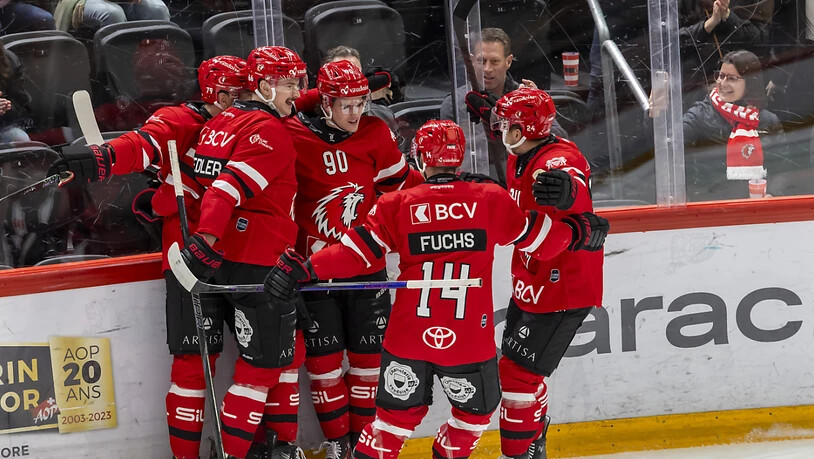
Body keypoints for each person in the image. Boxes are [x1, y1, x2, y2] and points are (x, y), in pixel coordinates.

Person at [264, 119, 601, 459]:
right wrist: (580, 230)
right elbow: (543, 243)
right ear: (461, 158)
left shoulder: (396, 204)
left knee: (391, 423)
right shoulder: (488, 199)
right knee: (473, 416)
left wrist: (307, 270)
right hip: (467, 341)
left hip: (408, 338)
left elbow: (353, 254)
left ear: (421, 160)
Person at [49, 55, 250, 459]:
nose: (251, 98)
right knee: (194, 366)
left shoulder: (254, 122)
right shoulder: (179, 119)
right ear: (220, 93)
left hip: (247, 253)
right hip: (189, 255)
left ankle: (261, 448)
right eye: (242, 91)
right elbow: (143, 145)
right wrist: (103, 158)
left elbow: (292, 100)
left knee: (265, 362)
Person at [282, 59, 423, 458]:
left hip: (367, 269)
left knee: (368, 367)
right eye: (345, 104)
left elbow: (401, 190)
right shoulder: (291, 133)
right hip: (314, 271)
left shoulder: (376, 132)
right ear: (324, 103)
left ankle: (364, 446)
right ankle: (338, 444)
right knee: (323, 368)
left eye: (361, 102)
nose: (355, 113)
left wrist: (447, 187)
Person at [182, 46, 307, 459]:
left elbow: (204, 184)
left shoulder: (222, 121)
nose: (297, 92)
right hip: (260, 262)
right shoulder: (268, 131)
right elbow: (226, 189)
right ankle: (234, 453)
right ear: (266, 85)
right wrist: (207, 238)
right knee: (262, 369)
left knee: (285, 353)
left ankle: (278, 447)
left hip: (233, 261)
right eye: (290, 84)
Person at [489, 88, 608, 459]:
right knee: (518, 372)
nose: (500, 131)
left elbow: (573, 180)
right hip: (531, 279)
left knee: (516, 376)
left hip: (563, 287)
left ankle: (520, 452)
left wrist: (568, 191)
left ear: (527, 129)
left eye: (508, 125)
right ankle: (534, 444)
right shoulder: (520, 154)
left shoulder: (555, 160)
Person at [440, 27, 566, 184]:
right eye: (481, 61)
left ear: (508, 61)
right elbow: (445, 156)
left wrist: (537, 109)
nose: (487, 69)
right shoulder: (454, 103)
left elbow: (559, 140)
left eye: (495, 61)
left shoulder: (527, 97)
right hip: (473, 190)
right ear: (471, 61)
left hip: (518, 185)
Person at [681, 50, 784, 200]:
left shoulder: (769, 121)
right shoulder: (700, 114)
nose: (722, 83)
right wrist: (656, 115)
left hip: (755, 205)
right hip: (712, 204)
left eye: (732, 78)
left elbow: (783, 167)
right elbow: (669, 144)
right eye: (721, 76)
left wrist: (773, 194)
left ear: (750, 82)